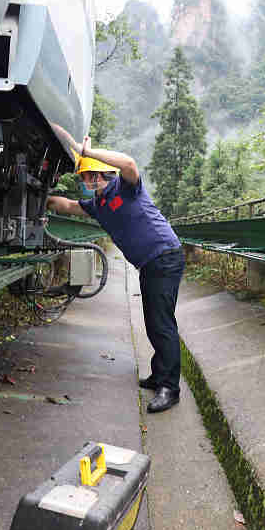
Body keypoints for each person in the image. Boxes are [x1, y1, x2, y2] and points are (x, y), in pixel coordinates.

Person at [46, 143, 185, 413]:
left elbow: (130, 165)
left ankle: (170, 388)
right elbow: (70, 206)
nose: (84, 181)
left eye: (87, 176)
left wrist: (87, 151)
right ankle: (159, 375)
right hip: (151, 262)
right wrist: (45, 199)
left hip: (164, 256)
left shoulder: (126, 188)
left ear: (99, 175)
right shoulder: (99, 204)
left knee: (162, 322)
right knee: (153, 320)